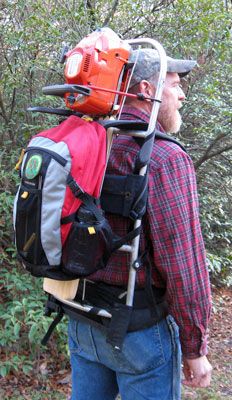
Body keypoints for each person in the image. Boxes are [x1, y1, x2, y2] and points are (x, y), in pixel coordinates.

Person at [68, 48, 212, 400]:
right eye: (175, 85)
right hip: (139, 331)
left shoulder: (93, 143)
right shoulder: (165, 158)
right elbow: (183, 264)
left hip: (83, 320)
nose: (182, 95)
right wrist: (195, 349)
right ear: (146, 90)